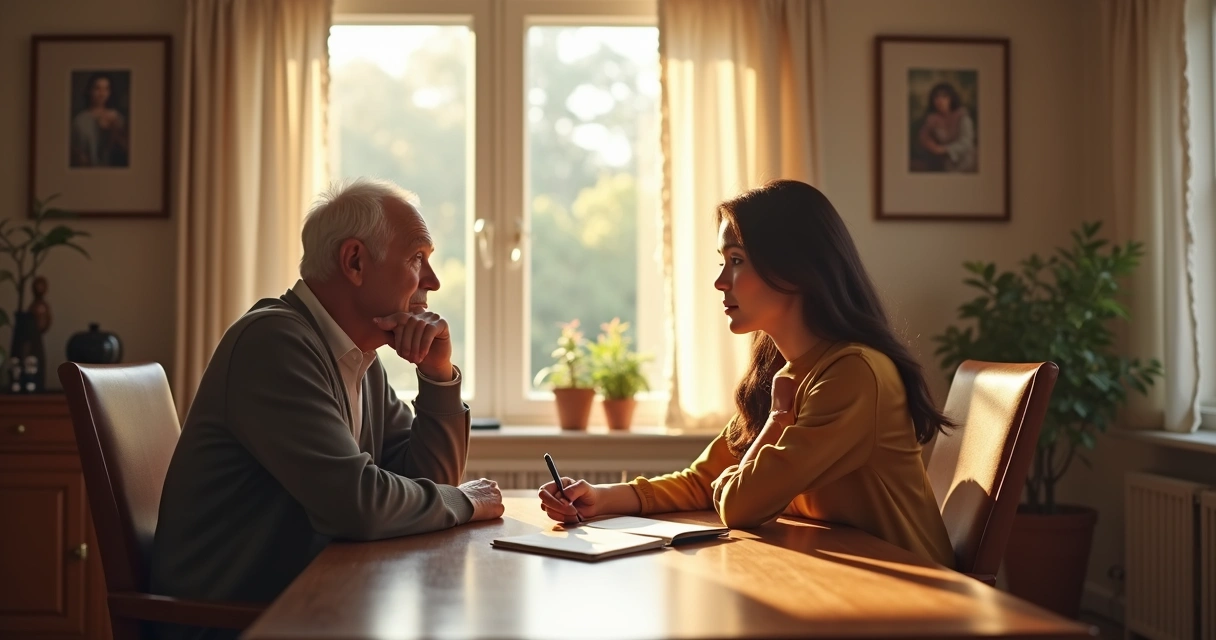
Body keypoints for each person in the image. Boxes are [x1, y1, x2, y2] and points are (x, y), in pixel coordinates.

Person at [151, 178, 504, 640]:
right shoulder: (274, 343)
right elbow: (357, 506)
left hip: (307, 603)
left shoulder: (360, 358)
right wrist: (466, 501)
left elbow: (430, 482)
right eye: (417, 258)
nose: (432, 282)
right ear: (355, 261)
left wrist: (438, 375)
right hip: (236, 622)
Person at [538, 179, 956, 568]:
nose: (721, 281)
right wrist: (601, 498)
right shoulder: (784, 371)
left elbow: (738, 503)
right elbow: (706, 481)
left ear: (795, 269)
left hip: (917, 598)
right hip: (846, 583)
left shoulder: (853, 375)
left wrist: (773, 425)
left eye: (736, 260)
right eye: (722, 261)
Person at [915, 81, 976, 173]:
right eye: (936, 97)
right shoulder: (932, 118)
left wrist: (943, 149)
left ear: (951, 98)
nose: (940, 101)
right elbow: (923, 137)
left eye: (944, 97)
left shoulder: (962, 116)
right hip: (942, 163)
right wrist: (929, 143)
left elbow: (966, 143)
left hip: (964, 161)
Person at [70, 73, 129, 167]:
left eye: (106, 89)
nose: (102, 94)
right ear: (89, 90)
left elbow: (127, 150)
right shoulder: (79, 120)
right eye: (97, 88)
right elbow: (75, 153)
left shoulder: (116, 117)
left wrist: (113, 129)